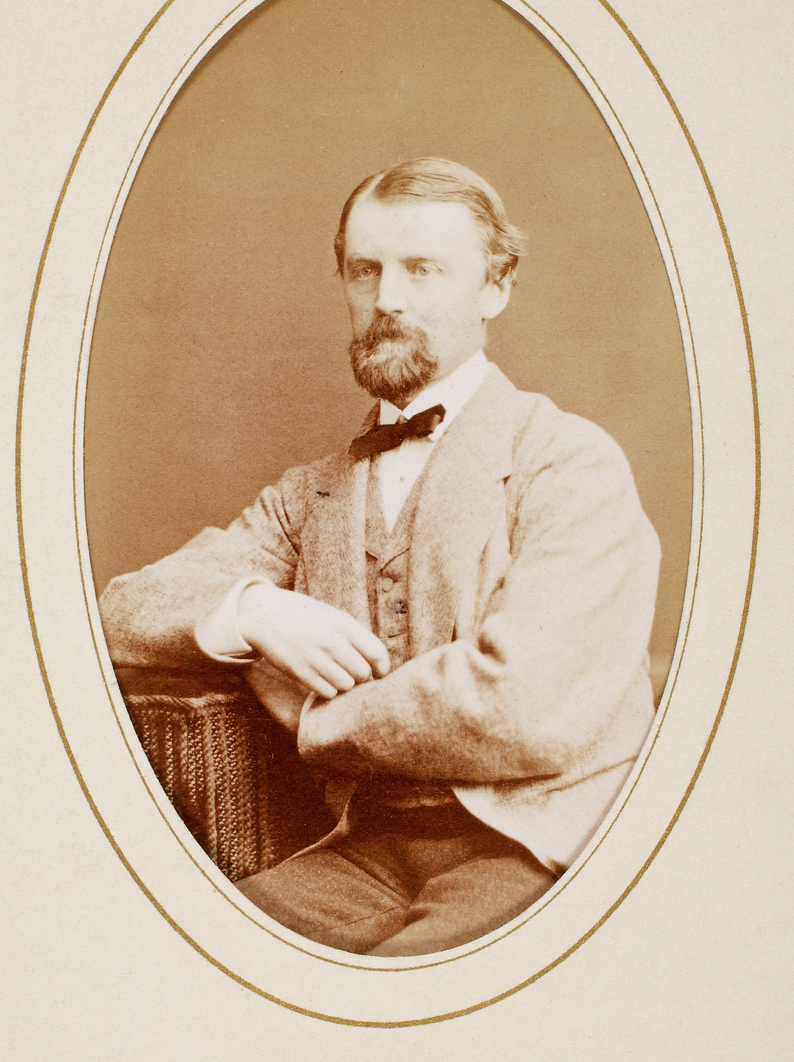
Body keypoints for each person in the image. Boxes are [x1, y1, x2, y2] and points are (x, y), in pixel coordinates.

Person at [99, 158, 660, 957]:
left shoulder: (569, 462)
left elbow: (525, 707)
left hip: (546, 847)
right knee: (182, 967)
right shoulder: (312, 494)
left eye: (423, 269)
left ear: (495, 288)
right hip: (360, 848)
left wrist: (320, 720)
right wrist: (254, 610)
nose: (387, 297)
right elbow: (120, 611)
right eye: (366, 270)